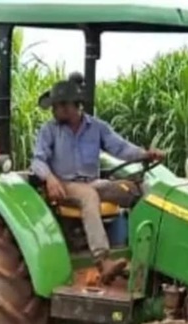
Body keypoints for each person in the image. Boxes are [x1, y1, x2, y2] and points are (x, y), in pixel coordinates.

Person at [31, 79, 165, 284]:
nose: (53, 111)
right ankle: (103, 261)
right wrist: (49, 178)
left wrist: (146, 154)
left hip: (93, 183)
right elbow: (38, 160)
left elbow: (121, 148)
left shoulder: (97, 128)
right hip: (65, 186)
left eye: (57, 106)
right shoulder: (49, 130)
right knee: (88, 195)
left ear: (71, 106)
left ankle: (146, 255)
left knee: (137, 190)